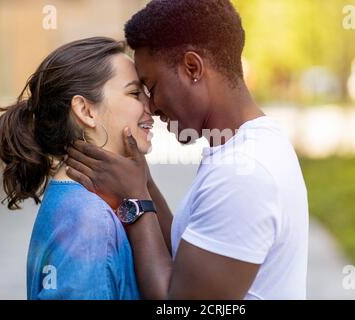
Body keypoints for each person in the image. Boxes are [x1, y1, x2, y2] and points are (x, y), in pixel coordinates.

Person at [67, 0, 309, 300]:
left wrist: (136, 201)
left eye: (151, 87)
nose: (151, 108)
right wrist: (145, 183)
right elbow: (186, 254)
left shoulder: (244, 173)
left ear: (192, 67)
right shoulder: (244, 148)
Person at [0, 37, 154, 299]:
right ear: (85, 111)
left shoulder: (87, 202)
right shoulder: (89, 221)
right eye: (135, 93)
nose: (151, 107)